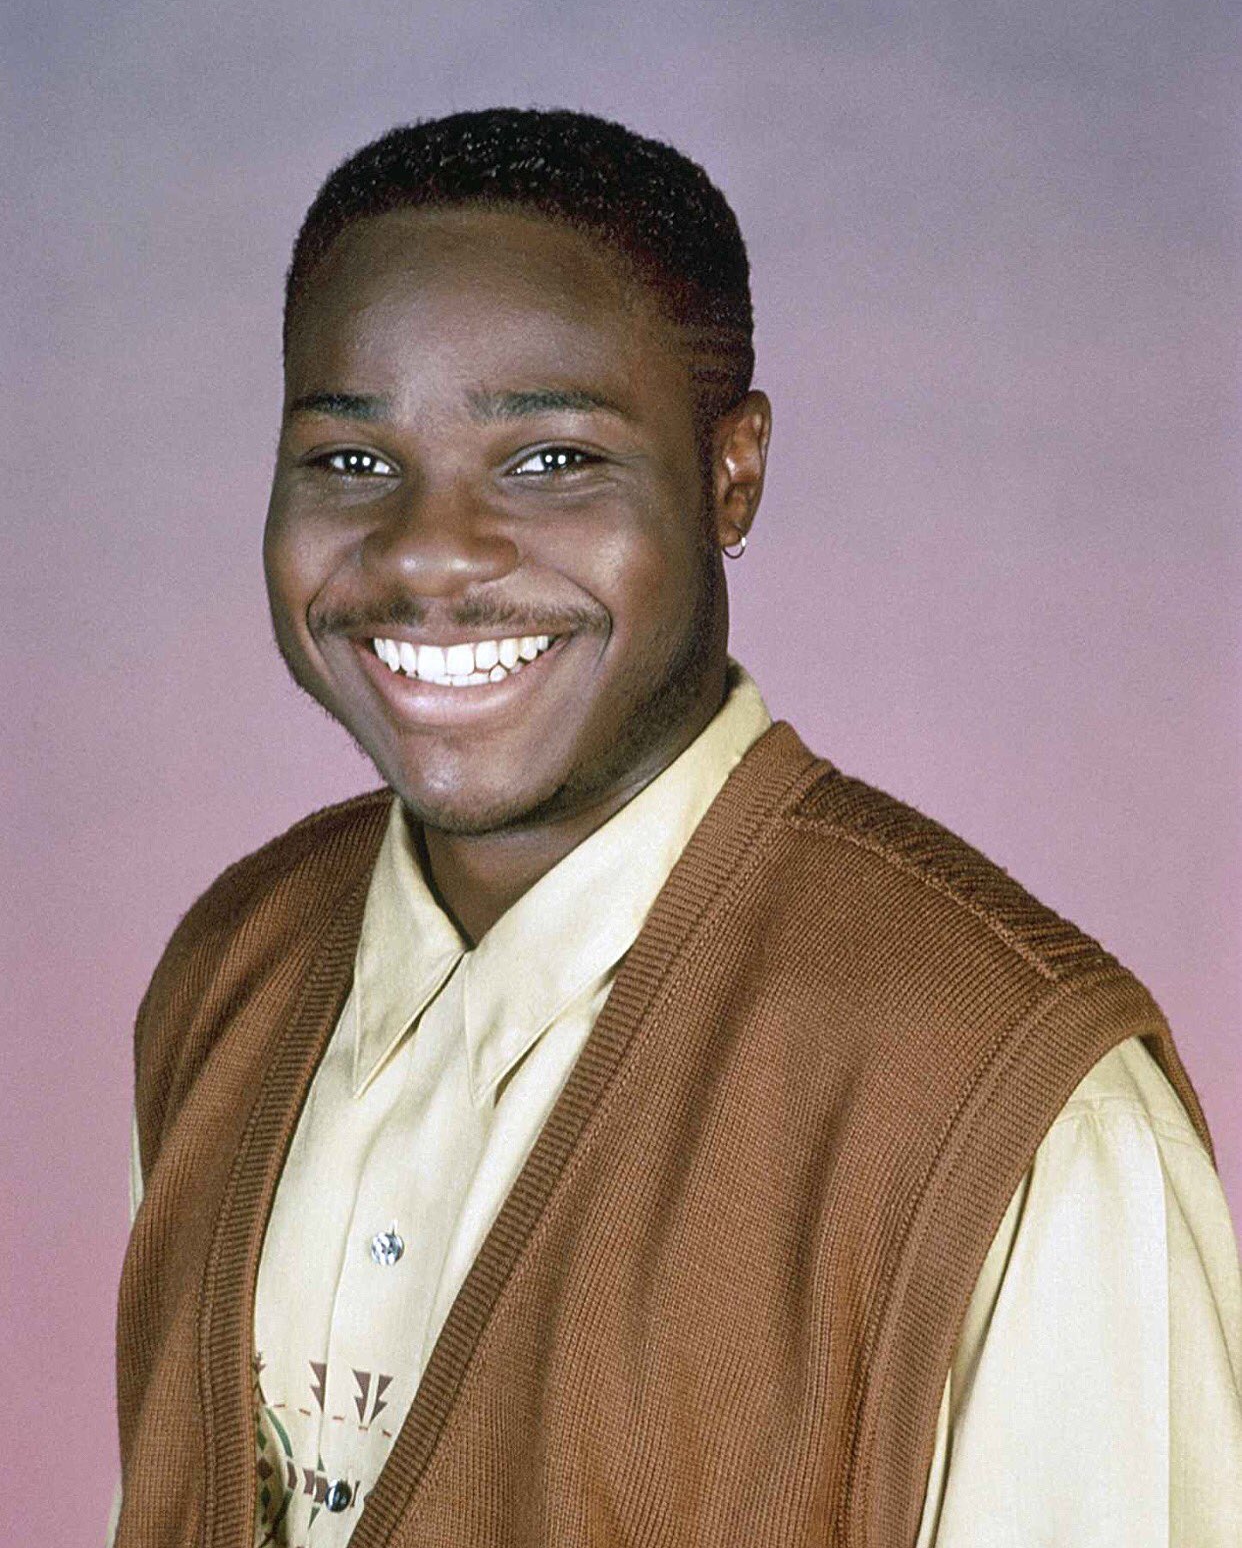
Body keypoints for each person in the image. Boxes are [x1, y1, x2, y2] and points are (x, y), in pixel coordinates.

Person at [109, 108, 1241, 1547]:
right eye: (347, 460)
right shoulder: (228, 974)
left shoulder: (1005, 1100)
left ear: (731, 471)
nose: (427, 551)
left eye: (548, 460)